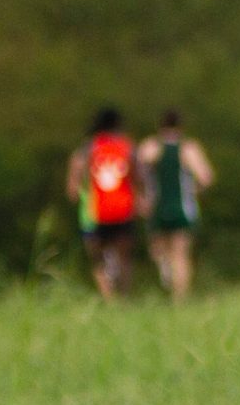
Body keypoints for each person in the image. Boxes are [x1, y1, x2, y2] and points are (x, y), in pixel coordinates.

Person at [137, 110, 215, 302]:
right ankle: (180, 299)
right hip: (183, 208)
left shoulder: (149, 147)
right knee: (181, 255)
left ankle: (166, 274)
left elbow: (137, 173)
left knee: (158, 250)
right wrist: (194, 190)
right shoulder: (189, 149)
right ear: (180, 127)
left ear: (160, 126)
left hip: (157, 207)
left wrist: (141, 197)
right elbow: (207, 178)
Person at [68, 108, 142, 300]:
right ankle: (124, 298)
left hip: (95, 212)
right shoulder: (128, 147)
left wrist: (78, 194)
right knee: (124, 258)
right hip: (123, 210)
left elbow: (73, 188)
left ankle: (109, 300)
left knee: (97, 260)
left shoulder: (87, 149)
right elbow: (138, 177)